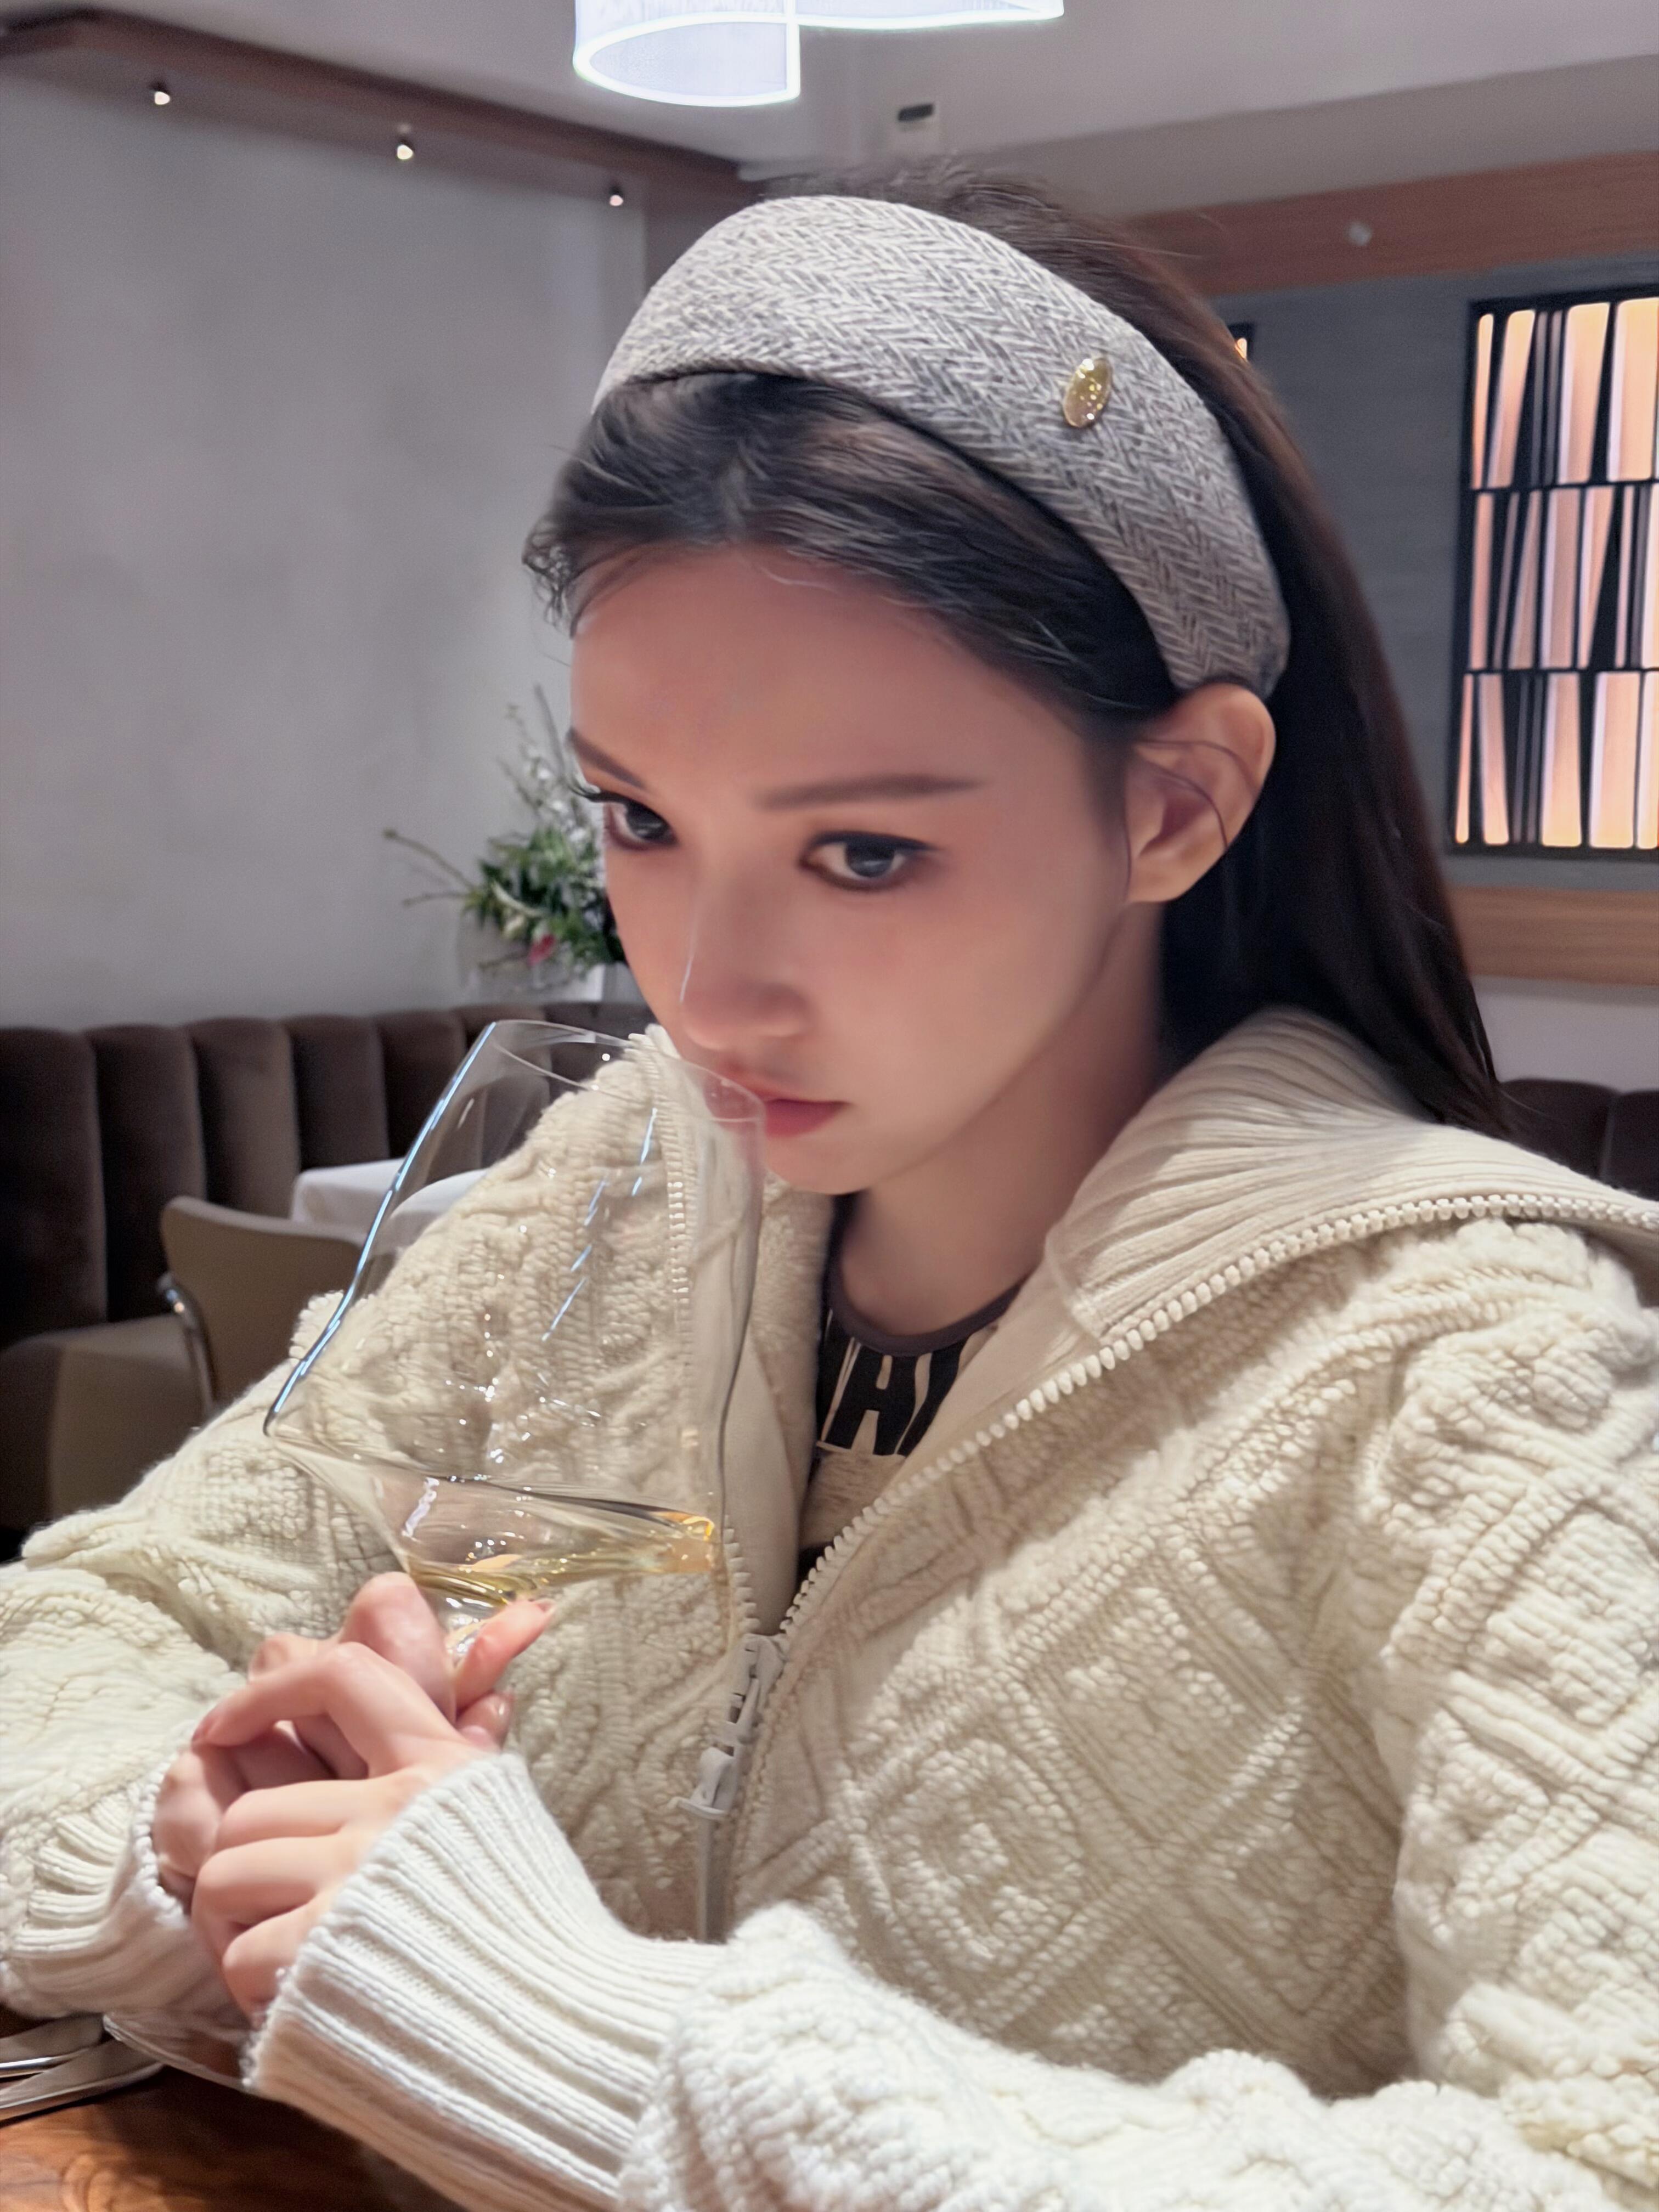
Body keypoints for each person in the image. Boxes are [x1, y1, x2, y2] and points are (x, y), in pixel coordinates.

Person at [3, 166, 1657, 2212]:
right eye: (639, 821)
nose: (702, 992)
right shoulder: (619, 1183)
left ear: (1179, 801)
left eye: (866, 852)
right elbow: (86, 1623)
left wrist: (564, 2030)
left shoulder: (1475, 1369)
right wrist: (198, 1859)